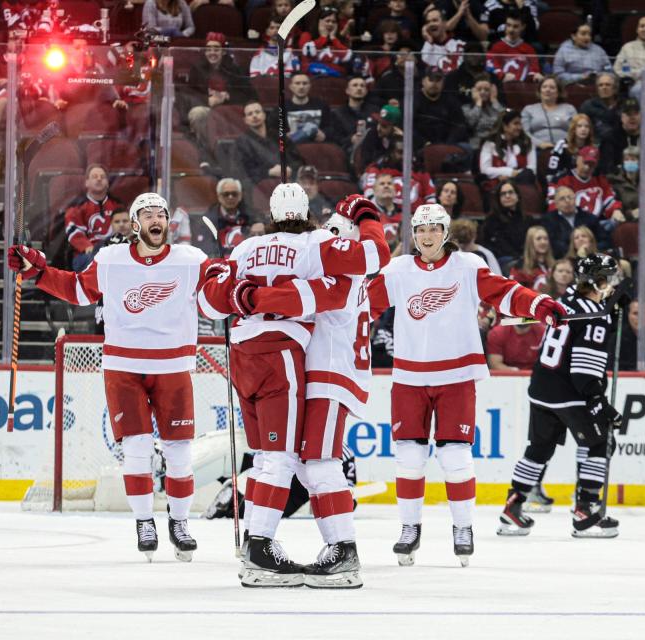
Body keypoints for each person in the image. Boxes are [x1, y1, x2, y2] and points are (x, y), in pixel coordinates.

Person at [198, 185, 390, 586]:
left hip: (308, 367)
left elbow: (210, 301)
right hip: (310, 365)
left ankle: (322, 549)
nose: (334, 235)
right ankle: (281, 548)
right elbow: (356, 265)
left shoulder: (251, 248)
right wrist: (367, 216)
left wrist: (244, 294)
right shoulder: (318, 249)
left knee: (294, 460)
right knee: (291, 460)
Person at [10, 193, 214, 562]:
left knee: (179, 453)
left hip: (174, 367)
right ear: (135, 225)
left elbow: (219, 294)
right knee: (135, 449)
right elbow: (76, 289)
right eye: (148, 215)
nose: (156, 220)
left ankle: (180, 523)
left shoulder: (191, 261)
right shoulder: (111, 260)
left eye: (161, 215)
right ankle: (144, 522)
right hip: (123, 367)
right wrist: (36, 271)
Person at [367, 203, 565, 566]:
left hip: (456, 375)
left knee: (455, 456)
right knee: (409, 457)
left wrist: (540, 303)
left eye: (433, 229)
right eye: (420, 229)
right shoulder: (398, 271)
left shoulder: (468, 267)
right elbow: (364, 305)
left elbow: (506, 293)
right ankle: (409, 529)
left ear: (445, 233)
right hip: (409, 376)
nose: (426, 236)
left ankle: (463, 527)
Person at [498, 254, 623, 539]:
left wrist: (608, 315)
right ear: (598, 280)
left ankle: (512, 508)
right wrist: (599, 404)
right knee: (601, 442)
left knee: (539, 448)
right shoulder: (595, 315)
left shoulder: (564, 302)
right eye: (610, 278)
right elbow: (583, 372)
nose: (613, 284)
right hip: (569, 392)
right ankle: (586, 511)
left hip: (542, 389)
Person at [180, 32, 255, 125]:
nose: (212, 53)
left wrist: (227, 96)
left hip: (230, 108)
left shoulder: (234, 69)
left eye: (216, 49)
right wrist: (207, 101)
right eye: (208, 49)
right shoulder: (197, 69)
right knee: (197, 113)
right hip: (206, 108)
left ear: (223, 51)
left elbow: (249, 95)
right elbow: (189, 95)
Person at [63, 164, 123, 272]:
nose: (99, 179)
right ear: (87, 182)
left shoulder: (117, 205)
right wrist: (87, 247)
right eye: (95, 176)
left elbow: (126, 230)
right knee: (98, 262)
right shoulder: (77, 207)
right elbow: (74, 232)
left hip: (112, 253)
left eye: (102, 177)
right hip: (85, 255)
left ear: (108, 183)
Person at [548, 146, 624, 230]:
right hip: (571, 226)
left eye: (591, 165)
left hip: (598, 225)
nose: (587, 168)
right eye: (585, 163)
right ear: (577, 159)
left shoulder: (600, 179)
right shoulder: (561, 180)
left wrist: (616, 210)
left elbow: (609, 201)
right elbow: (553, 207)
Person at [192, 177, 262, 256]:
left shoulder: (251, 216)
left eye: (234, 194)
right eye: (226, 194)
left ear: (240, 196)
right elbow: (206, 248)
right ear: (219, 196)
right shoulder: (208, 221)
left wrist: (261, 226)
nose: (230, 197)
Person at [235, 101, 299, 183]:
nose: (254, 116)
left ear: (264, 115)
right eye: (250, 114)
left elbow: (297, 160)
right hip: (261, 186)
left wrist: (290, 168)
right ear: (245, 120)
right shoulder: (241, 142)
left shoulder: (279, 136)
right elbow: (243, 172)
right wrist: (269, 172)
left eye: (257, 112)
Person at [478, 109, 536, 192]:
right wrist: (509, 172)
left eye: (520, 124)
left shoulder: (527, 142)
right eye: (516, 124)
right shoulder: (490, 144)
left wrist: (514, 174)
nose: (520, 127)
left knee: (528, 175)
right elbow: (485, 169)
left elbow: (532, 169)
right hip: (498, 185)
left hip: (523, 183)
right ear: (505, 126)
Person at [409, 67, 469, 147]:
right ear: (423, 81)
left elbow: (459, 125)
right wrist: (425, 143)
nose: (434, 83)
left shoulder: (451, 100)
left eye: (438, 80)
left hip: (447, 144)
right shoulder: (413, 101)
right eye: (431, 80)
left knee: (467, 148)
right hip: (422, 145)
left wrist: (448, 144)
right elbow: (408, 128)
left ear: (443, 82)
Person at [541, 186, 605, 259]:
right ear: (556, 203)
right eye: (562, 199)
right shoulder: (548, 220)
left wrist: (589, 249)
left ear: (575, 199)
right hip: (563, 259)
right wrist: (574, 251)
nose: (567, 201)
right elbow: (552, 243)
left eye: (570, 197)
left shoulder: (589, 217)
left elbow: (604, 240)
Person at [480, 179, 532, 264]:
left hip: (526, 259)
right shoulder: (492, 220)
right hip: (503, 260)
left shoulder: (528, 219)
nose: (507, 196)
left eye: (511, 192)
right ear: (498, 199)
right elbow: (499, 246)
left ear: (518, 196)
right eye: (503, 194)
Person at [484, 11, 542, 83]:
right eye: (508, 25)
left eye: (515, 26)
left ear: (523, 27)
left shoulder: (529, 49)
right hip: (500, 87)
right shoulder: (496, 46)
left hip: (523, 88)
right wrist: (502, 75)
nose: (511, 30)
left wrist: (534, 76)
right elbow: (490, 66)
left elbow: (534, 69)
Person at [521, 76, 577, 150]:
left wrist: (566, 144)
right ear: (539, 91)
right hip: (537, 150)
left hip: (565, 149)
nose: (548, 90)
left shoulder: (569, 108)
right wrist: (540, 144)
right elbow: (525, 133)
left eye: (552, 87)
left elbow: (576, 130)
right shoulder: (528, 109)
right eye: (544, 87)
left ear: (558, 92)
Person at [298, 6, 354, 77]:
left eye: (333, 22)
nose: (330, 24)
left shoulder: (340, 39)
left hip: (337, 79)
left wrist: (334, 39)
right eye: (327, 21)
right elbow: (308, 53)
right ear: (319, 22)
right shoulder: (306, 36)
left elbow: (347, 57)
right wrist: (323, 38)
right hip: (312, 78)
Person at [328, 76, 379, 153]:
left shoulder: (374, 111)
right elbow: (334, 138)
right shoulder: (337, 114)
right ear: (347, 91)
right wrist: (351, 139)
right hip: (347, 152)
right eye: (355, 85)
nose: (359, 88)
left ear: (366, 91)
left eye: (362, 86)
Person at [552, 22, 612, 86]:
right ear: (573, 36)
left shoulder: (599, 50)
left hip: (597, 85)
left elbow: (608, 68)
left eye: (589, 34)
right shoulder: (563, 50)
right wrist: (581, 77)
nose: (587, 37)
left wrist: (600, 76)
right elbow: (558, 74)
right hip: (571, 86)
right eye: (583, 34)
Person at [546, 114, 594, 185]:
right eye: (579, 126)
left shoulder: (592, 148)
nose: (583, 129)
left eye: (586, 126)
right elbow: (551, 170)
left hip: (584, 182)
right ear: (574, 129)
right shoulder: (562, 144)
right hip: (563, 182)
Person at [285, 73, 331, 143]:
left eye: (305, 83)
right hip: (291, 148)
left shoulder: (321, 105)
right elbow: (273, 130)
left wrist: (324, 134)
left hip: (317, 146)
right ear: (291, 87)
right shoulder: (282, 107)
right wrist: (284, 137)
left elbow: (331, 127)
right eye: (297, 83)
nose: (301, 87)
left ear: (309, 86)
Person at [462, 75, 504, 148]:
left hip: (497, 144)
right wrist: (478, 102)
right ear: (473, 91)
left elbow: (505, 122)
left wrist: (494, 100)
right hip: (476, 145)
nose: (483, 92)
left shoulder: (496, 106)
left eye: (486, 89)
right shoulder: (466, 108)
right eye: (479, 89)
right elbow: (470, 124)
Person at [420, 6, 465, 73]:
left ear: (444, 23)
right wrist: (429, 42)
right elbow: (425, 70)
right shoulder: (427, 47)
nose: (431, 24)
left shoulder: (460, 45)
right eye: (428, 22)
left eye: (435, 20)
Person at [579, 72, 621, 142]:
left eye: (608, 85)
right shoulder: (588, 106)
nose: (604, 88)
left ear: (615, 89)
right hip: (596, 144)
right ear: (597, 89)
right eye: (600, 85)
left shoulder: (622, 105)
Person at [509, 225, 554, 292]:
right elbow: (514, 292)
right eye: (538, 239)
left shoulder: (555, 265)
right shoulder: (520, 267)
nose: (543, 242)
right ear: (530, 242)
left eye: (545, 239)